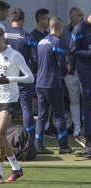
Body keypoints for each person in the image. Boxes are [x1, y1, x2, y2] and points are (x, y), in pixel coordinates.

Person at [0, 27, 34, 184]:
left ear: (3, 39)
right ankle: (17, 169)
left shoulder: (15, 56)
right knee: (0, 139)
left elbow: (30, 78)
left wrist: (10, 79)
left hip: (8, 100)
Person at [35, 16, 75, 155]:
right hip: (52, 83)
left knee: (42, 115)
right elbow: (63, 66)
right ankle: (63, 146)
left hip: (40, 83)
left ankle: (38, 144)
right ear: (59, 28)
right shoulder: (57, 42)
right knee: (59, 115)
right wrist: (67, 69)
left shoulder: (41, 42)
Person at [4, 8, 37, 139]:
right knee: (26, 108)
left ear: (10, 19)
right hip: (23, 76)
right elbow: (35, 57)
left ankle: (4, 137)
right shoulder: (28, 36)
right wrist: (33, 71)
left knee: (5, 108)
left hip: (6, 77)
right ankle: (28, 140)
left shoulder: (3, 35)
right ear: (22, 20)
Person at [31, 8, 56, 138]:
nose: (48, 21)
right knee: (35, 103)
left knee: (48, 102)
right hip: (36, 75)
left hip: (48, 75)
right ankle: (34, 130)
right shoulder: (32, 36)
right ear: (40, 19)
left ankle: (46, 128)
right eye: (47, 18)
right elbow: (32, 56)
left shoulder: (48, 36)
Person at [60, 6, 84, 137]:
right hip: (69, 73)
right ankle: (77, 128)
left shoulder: (87, 30)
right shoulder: (64, 32)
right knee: (74, 100)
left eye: (83, 15)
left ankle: (86, 128)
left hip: (84, 71)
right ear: (72, 17)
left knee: (86, 100)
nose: (83, 17)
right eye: (80, 15)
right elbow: (60, 50)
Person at [70, 13, 91, 156]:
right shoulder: (79, 28)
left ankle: (84, 135)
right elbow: (73, 50)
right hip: (84, 71)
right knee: (87, 103)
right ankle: (87, 139)